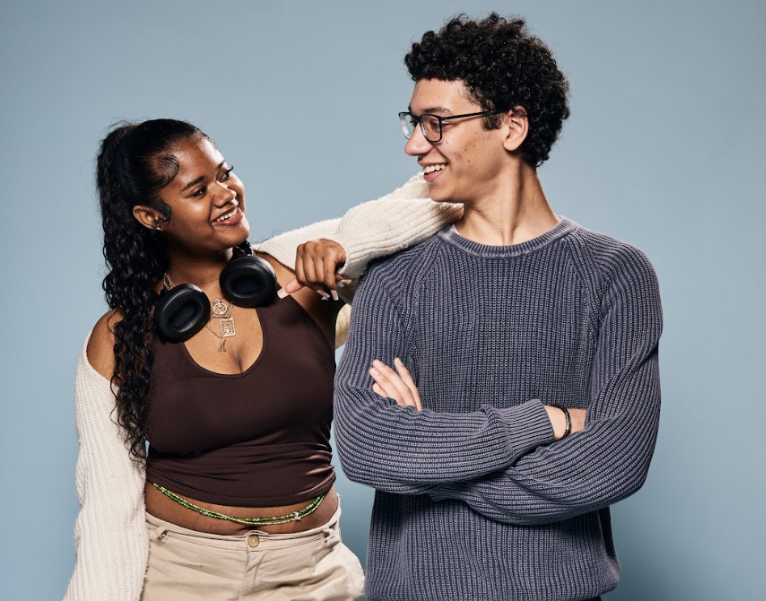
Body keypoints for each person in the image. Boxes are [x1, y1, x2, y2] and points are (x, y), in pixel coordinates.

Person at [334, 13, 663, 601]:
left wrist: (432, 464)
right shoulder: (394, 276)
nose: (414, 145)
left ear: (511, 126)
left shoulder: (615, 275)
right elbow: (364, 445)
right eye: (413, 122)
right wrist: (544, 421)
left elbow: (614, 461)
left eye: (436, 124)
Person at [64, 118, 461, 601]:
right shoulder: (120, 338)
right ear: (152, 217)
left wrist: (349, 248)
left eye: (225, 173)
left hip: (314, 572)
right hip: (181, 577)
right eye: (198, 190)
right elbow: (108, 509)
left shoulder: (298, 273)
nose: (226, 194)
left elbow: (436, 200)